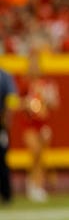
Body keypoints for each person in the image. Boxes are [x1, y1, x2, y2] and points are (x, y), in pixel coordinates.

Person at [18, 55, 60, 202]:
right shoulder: (24, 83)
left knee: (41, 155)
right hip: (29, 123)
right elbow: (16, 102)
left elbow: (55, 104)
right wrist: (27, 103)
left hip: (43, 123)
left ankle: (38, 185)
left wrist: (49, 98)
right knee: (34, 151)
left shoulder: (47, 83)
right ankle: (32, 181)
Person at [0, 68, 19, 205]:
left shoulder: (4, 76)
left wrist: (7, 116)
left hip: (0, 122)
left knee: (1, 158)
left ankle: (6, 194)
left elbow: (12, 99)